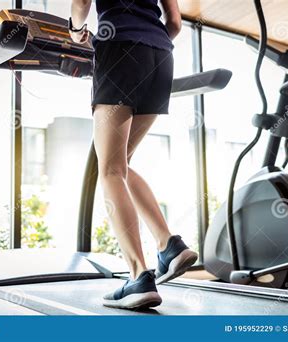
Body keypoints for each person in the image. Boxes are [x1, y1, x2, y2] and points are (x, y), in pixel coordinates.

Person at [69, 0, 198, 310]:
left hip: (119, 48)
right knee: (120, 164)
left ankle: (139, 275)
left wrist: (75, 31)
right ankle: (169, 244)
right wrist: (149, 38)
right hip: (160, 55)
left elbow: (82, 3)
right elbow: (176, 22)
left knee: (110, 170)